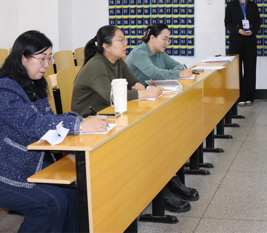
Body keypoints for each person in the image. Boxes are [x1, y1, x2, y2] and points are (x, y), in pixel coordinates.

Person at [0, 30, 109, 233]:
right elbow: (32, 124)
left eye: (50, 58)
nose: (47, 64)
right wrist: (79, 125)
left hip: (18, 160)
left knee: (73, 192)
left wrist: (80, 121)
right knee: (49, 205)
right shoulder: (1, 88)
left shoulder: (34, 83)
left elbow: (46, 119)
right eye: (42, 58)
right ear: (23, 58)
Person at [72, 25, 197, 212]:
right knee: (145, 140)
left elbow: (133, 81)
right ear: (106, 46)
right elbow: (112, 96)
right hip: (91, 123)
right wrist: (145, 93)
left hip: (111, 115)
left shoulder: (118, 61)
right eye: (120, 40)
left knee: (158, 133)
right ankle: (161, 192)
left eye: (124, 39)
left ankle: (169, 180)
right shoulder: (97, 65)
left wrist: (138, 86)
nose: (126, 43)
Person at [224, 0, 261, 106]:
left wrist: (252, 31)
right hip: (236, 41)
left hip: (250, 41)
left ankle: (250, 96)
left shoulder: (253, 6)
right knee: (237, 70)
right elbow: (227, 23)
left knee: (250, 69)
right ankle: (239, 96)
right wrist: (238, 30)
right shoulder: (231, 5)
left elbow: (258, 22)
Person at [125, 23, 193, 83]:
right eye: (164, 39)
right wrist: (179, 74)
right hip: (136, 92)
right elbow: (153, 73)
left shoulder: (160, 52)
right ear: (152, 38)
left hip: (152, 89)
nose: (166, 43)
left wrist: (177, 71)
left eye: (168, 40)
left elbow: (178, 65)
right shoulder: (139, 52)